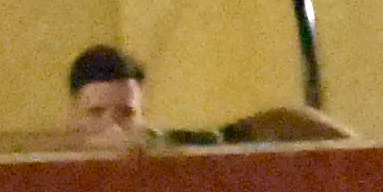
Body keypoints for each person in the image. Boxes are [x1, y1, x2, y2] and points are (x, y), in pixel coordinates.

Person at [27, 45, 351, 153]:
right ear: (73, 112)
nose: (112, 126)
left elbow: (291, 122)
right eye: (96, 112)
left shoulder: (165, 149)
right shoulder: (52, 157)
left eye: (125, 113)